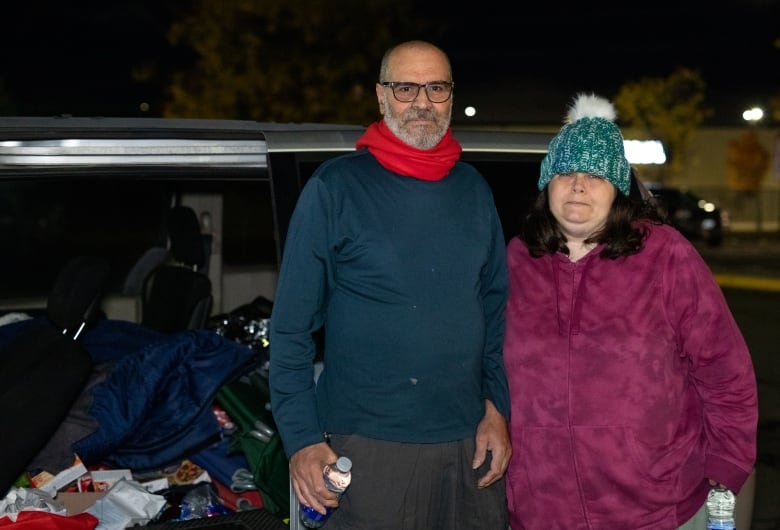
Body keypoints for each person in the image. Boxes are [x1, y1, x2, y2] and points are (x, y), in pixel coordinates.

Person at [269, 40, 511, 529]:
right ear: (381, 97)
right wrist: (302, 440)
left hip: (468, 448)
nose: (422, 102)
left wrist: (496, 409)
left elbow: (493, 313)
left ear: (450, 96)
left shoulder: (474, 190)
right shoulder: (335, 188)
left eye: (436, 87)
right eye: (406, 87)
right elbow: (291, 330)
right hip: (368, 449)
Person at [502, 92, 758, 529]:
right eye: (565, 171)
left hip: (656, 509)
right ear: (547, 184)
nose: (578, 184)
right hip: (542, 509)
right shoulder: (517, 261)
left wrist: (726, 470)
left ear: (618, 188)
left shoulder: (666, 256)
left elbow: (726, 372)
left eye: (595, 174)